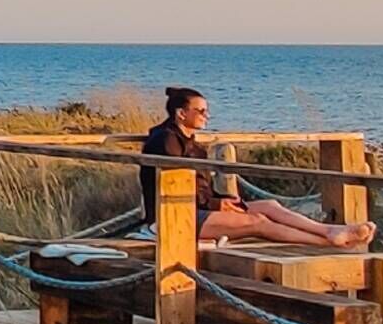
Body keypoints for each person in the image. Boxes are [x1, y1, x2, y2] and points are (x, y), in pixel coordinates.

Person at [138, 87, 364, 249]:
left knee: (269, 205)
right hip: (174, 216)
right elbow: (174, 187)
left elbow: (201, 187)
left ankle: (329, 230)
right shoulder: (165, 141)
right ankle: (328, 242)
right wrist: (217, 204)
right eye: (201, 111)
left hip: (200, 209)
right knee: (258, 222)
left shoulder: (191, 142)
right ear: (181, 113)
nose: (207, 116)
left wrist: (224, 200)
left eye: (207, 110)